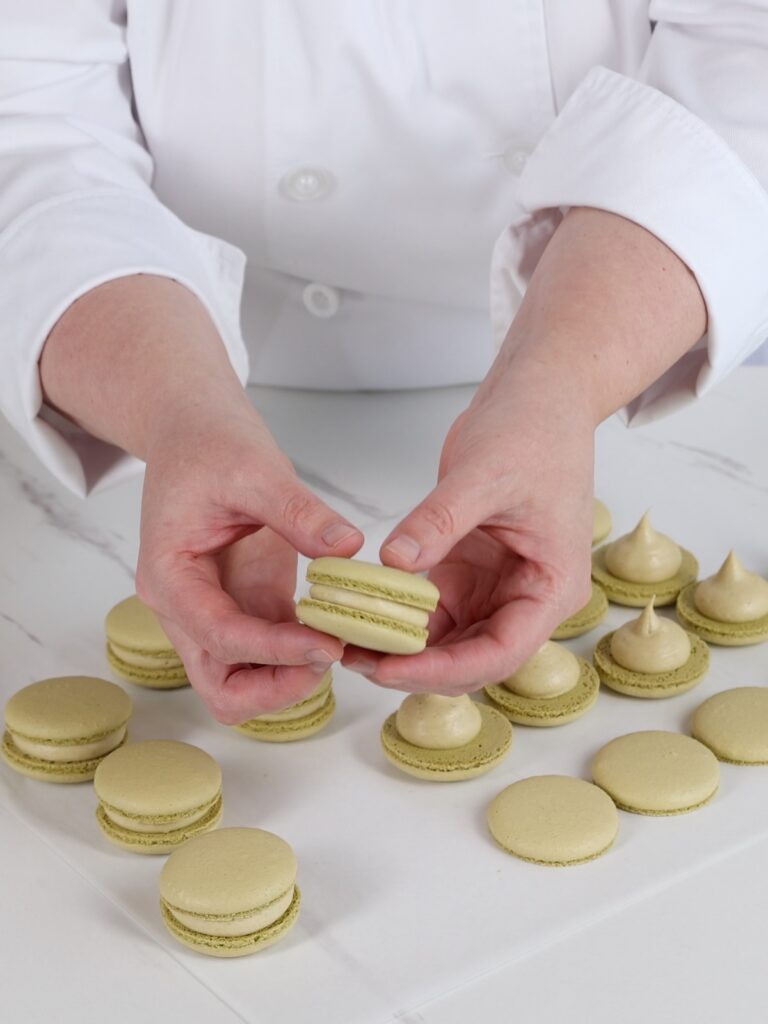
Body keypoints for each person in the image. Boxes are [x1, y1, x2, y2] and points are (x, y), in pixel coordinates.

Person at [1, 2, 767, 724]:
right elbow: (29, 118)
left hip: (604, 308)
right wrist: (176, 411)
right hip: (155, 336)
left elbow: (745, 58)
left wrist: (559, 385)